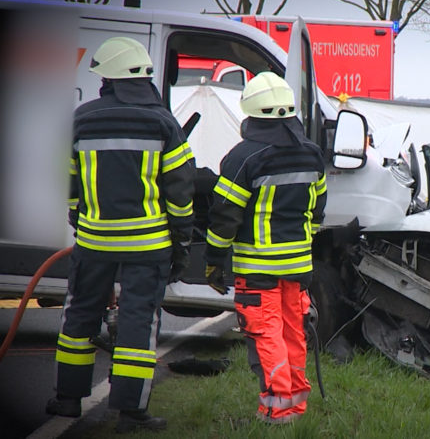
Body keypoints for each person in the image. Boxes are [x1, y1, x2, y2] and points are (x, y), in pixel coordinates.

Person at [47, 37, 195, 433]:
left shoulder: (80, 119)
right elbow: (181, 190)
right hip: (147, 245)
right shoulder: (164, 123)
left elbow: (67, 181)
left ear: (108, 80)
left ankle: (67, 399)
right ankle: (130, 411)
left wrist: (80, 217)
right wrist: (180, 238)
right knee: (137, 323)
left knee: (79, 314)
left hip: (94, 242)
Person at [203, 71, 326, 424]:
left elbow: (224, 217)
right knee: (292, 333)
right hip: (297, 267)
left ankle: (276, 410)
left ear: (251, 114)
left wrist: (213, 260)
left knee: (265, 334)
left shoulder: (243, 158)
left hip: (258, 269)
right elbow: (317, 211)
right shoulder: (312, 155)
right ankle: (296, 406)